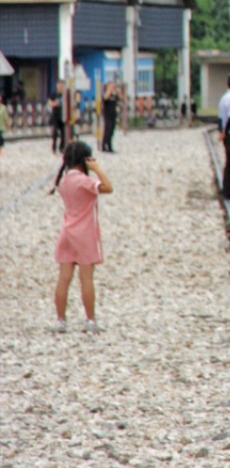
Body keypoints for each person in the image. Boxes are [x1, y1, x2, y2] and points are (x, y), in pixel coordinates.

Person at [52, 140, 113, 333]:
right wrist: (97, 169)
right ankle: (90, 320)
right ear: (84, 160)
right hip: (85, 234)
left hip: (67, 233)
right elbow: (108, 187)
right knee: (86, 279)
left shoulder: (65, 181)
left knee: (64, 279)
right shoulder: (85, 181)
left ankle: (61, 321)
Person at [100, 79, 121, 154]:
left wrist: (117, 91)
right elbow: (105, 98)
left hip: (113, 115)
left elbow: (121, 98)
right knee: (107, 130)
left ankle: (110, 146)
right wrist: (109, 90)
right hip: (107, 115)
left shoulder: (114, 95)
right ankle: (104, 146)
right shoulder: (106, 94)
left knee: (112, 130)